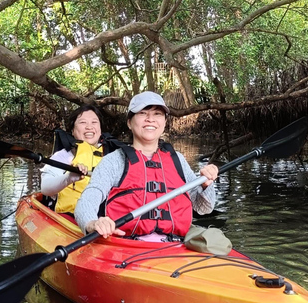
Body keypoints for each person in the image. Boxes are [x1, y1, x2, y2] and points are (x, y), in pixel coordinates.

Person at [75, 91, 218, 241]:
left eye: (157, 114)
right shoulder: (114, 161)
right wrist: (92, 223)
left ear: (164, 122)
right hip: (127, 246)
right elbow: (87, 200)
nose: (150, 119)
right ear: (129, 122)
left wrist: (206, 185)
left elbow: (203, 208)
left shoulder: (178, 160)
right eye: (143, 113)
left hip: (176, 247)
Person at [40, 105, 107, 214]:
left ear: (100, 129)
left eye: (94, 122)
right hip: (71, 217)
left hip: (107, 218)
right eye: (83, 122)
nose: (89, 127)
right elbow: (45, 188)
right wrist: (69, 178)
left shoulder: (113, 154)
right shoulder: (64, 155)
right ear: (73, 130)